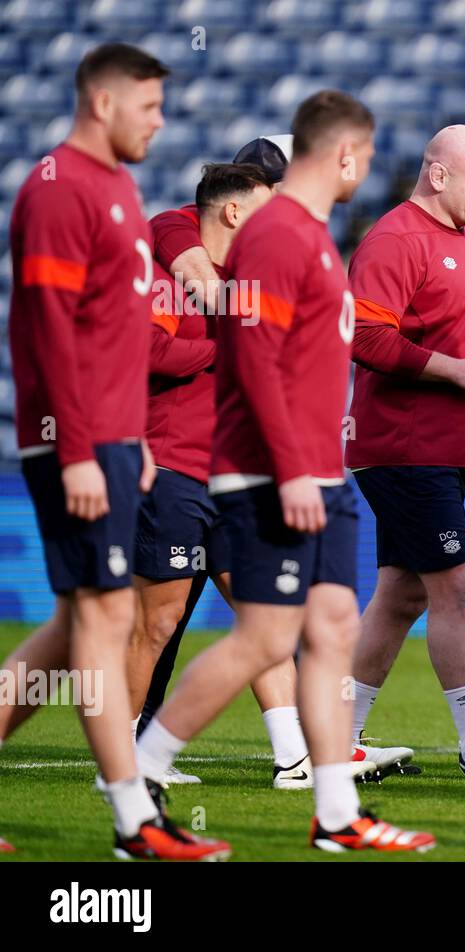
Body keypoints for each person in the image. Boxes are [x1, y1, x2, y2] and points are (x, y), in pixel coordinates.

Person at [134, 90, 436, 853]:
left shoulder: (304, 238)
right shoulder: (274, 237)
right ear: (340, 153)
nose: (365, 171)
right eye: (363, 156)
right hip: (276, 471)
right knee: (263, 636)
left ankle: (335, 813)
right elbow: (258, 360)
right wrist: (291, 466)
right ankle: (137, 776)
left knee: (331, 626)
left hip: (316, 468)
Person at [0, 42, 226, 859]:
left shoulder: (120, 194)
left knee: (79, 627)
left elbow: (120, 336)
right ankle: (134, 817)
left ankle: (133, 812)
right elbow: (55, 331)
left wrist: (130, 437)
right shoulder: (59, 192)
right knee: (98, 622)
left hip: (117, 441)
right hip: (78, 442)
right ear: (102, 102)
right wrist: (84, 449)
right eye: (149, 106)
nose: (160, 121)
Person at [345, 125, 465, 780]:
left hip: (441, 448)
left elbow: (460, 345)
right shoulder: (396, 239)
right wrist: (454, 372)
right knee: (456, 584)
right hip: (405, 445)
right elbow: (366, 336)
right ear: (438, 175)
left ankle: (334, 740)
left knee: (400, 595)